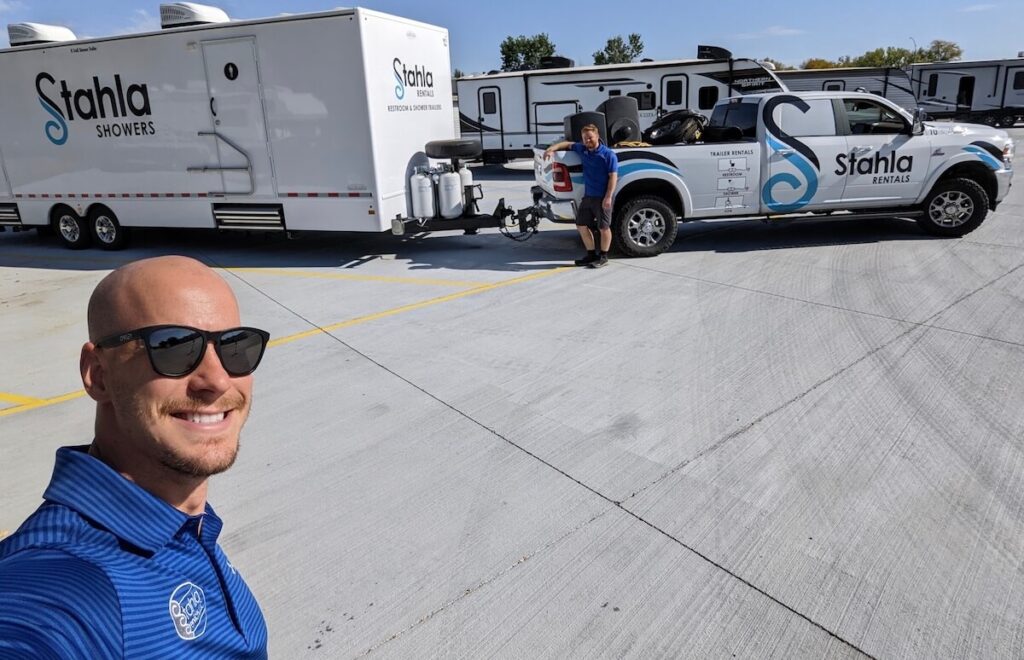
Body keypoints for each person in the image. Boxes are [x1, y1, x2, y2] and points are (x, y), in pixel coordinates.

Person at [0, 256, 270, 658]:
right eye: (173, 346)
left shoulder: (182, 518)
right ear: (98, 373)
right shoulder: (67, 589)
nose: (217, 380)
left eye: (235, 346)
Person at [544, 124, 619, 268]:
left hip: (602, 196)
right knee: (581, 225)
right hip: (588, 196)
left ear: (597, 136)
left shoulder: (608, 154)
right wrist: (551, 149)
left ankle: (603, 256)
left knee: (604, 227)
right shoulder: (582, 149)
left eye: (590, 137)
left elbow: (613, 177)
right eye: (585, 138)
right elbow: (567, 144)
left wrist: (608, 197)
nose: (587, 141)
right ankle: (591, 255)